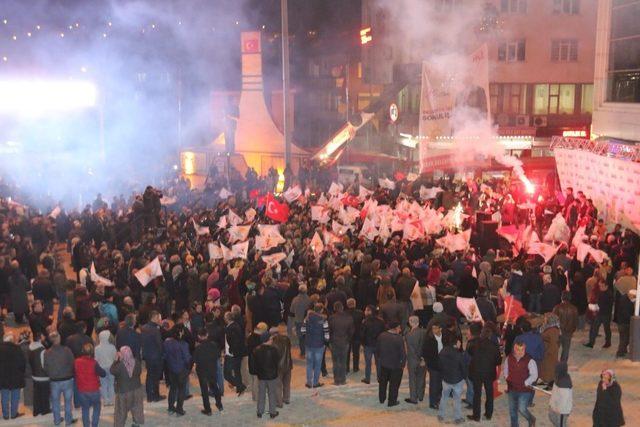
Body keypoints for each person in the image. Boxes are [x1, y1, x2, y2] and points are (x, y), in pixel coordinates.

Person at [467, 323, 501, 422]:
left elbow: (469, 352)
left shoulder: (475, 343)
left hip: (476, 372)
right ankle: (488, 414)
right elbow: (498, 361)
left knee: (477, 394)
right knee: (489, 394)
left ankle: (476, 416)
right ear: (490, 335)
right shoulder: (494, 346)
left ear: (481, 334)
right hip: (489, 373)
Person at [44, 331, 77, 426]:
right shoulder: (67, 350)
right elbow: (72, 363)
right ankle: (68, 421)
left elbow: (45, 367)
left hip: (54, 381)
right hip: (67, 379)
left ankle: (57, 420)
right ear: (59, 339)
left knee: (55, 402)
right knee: (68, 402)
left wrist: (50, 374)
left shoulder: (47, 353)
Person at [502, 342, 537, 427]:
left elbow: (534, 375)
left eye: (522, 350)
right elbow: (506, 370)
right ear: (514, 349)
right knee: (512, 411)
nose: (520, 352)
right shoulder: (509, 358)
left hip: (524, 390)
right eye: (518, 349)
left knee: (522, 409)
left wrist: (526, 382)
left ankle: (531, 418)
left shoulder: (530, 360)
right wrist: (507, 377)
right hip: (512, 388)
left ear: (525, 349)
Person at [110, 345, 144, 427]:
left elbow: (112, 371)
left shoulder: (120, 365)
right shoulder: (137, 362)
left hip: (123, 391)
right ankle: (137, 423)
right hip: (136, 389)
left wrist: (115, 360)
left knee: (121, 410)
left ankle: (119, 425)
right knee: (137, 407)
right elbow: (139, 372)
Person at [74, 343, 106, 427]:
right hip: (94, 390)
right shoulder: (94, 363)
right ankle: (94, 424)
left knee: (85, 409)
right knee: (97, 406)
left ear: (82, 351)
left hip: (82, 390)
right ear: (92, 352)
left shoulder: (76, 361)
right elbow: (103, 374)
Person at [163, 324, 192, 416]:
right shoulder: (183, 344)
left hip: (171, 369)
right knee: (181, 390)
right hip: (181, 370)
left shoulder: (167, 342)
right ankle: (179, 409)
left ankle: (171, 408)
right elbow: (187, 359)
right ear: (180, 332)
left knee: (173, 388)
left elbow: (165, 355)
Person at [193, 328, 223, 415]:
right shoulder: (213, 345)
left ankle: (208, 410)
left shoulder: (198, 348)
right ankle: (219, 404)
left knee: (204, 390)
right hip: (212, 369)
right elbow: (218, 355)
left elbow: (195, 359)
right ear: (207, 335)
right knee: (215, 387)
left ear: (199, 336)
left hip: (202, 371)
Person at [438, 333, 466, 424]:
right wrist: (465, 377)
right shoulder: (459, 354)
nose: (460, 344)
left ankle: (441, 414)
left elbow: (440, 365)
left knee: (444, 397)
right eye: (459, 342)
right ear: (456, 343)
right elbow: (463, 368)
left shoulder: (442, 351)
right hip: (457, 380)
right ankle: (457, 418)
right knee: (457, 399)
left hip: (446, 379)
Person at [375, 321, 405, 407]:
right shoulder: (399, 338)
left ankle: (382, 398)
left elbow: (377, 350)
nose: (400, 329)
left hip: (384, 364)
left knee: (383, 382)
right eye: (399, 327)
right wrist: (403, 364)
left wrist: (380, 359)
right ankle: (392, 401)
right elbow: (402, 353)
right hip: (395, 366)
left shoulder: (382, 335)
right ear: (395, 328)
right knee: (394, 384)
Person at [301, 302, 329, 388]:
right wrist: (326, 343)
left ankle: (309, 382)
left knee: (309, 364)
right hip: (319, 345)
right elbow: (327, 334)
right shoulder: (324, 320)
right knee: (318, 364)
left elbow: (302, 331)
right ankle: (316, 382)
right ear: (321, 310)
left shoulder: (307, 319)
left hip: (309, 344)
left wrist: (307, 338)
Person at [253, 331, 280, 419]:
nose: (272, 340)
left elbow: (255, 364)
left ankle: (259, 412)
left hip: (261, 376)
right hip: (272, 376)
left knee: (261, 393)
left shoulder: (256, 350)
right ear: (268, 339)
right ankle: (272, 412)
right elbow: (277, 362)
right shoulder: (274, 349)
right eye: (271, 338)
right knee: (272, 393)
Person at [140, 311, 164, 402]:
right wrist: (162, 354)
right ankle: (156, 395)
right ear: (154, 318)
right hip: (156, 356)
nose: (159, 320)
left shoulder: (144, 328)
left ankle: (149, 396)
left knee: (149, 376)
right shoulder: (155, 330)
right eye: (158, 318)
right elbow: (159, 344)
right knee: (156, 377)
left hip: (147, 355)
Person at [0, 333, 26, 420]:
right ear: (12, 340)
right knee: (15, 396)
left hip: (3, 377)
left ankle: (5, 415)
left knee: (4, 396)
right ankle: (14, 413)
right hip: (16, 377)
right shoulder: (17, 349)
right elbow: (22, 363)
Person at [328, 301, 354, 385]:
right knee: (343, 361)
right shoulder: (349, 318)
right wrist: (348, 339)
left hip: (334, 342)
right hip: (345, 342)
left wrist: (330, 341)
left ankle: (336, 380)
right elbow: (352, 331)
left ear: (335, 309)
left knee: (335, 362)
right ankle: (343, 380)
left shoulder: (331, 318)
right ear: (342, 308)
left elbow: (329, 331)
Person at [223, 310, 248, 395]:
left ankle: (240, 386)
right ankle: (239, 387)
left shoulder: (231, 328)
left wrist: (231, 351)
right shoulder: (236, 325)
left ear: (227, 319)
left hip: (232, 354)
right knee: (236, 371)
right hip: (236, 353)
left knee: (226, 374)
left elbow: (234, 342)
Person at [423, 322, 446, 410]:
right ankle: (433, 403)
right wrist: (428, 364)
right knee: (434, 384)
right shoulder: (429, 339)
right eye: (433, 328)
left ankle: (438, 399)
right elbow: (425, 352)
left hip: (443, 364)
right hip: (433, 365)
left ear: (440, 329)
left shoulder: (445, 338)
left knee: (441, 384)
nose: (433, 330)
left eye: (436, 328)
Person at [28, 331, 51, 417]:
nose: (44, 338)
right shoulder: (42, 350)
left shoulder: (30, 348)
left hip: (34, 376)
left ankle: (36, 411)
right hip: (43, 377)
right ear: (40, 338)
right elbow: (43, 364)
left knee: (36, 395)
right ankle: (45, 410)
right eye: (43, 336)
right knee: (44, 394)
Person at [585, 280, 613, 349]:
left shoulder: (608, 294)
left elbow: (605, 305)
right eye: (599, 286)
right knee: (596, 327)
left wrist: (596, 307)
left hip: (605, 314)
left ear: (606, 286)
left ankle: (607, 342)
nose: (600, 287)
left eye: (602, 286)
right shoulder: (602, 293)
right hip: (601, 313)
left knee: (606, 328)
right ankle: (592, 343)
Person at [404, 315, 426, 404]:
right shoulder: (424, 332)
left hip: (413, 360)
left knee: (412, 379)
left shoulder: (408, 335)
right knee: (421, 378)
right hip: (423, 359)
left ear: (410, 322)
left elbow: (411, 349)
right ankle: (420, 396)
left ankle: (413, 398)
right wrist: (422, 358)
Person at [361, 305, 385, 384]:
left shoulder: (365, 321)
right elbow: (383, 333)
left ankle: (367, 379)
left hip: (368, 345)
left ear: (370, 311)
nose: (365, 312)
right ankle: (380, 378)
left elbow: (363, 334)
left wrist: (363, 343)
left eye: (366, 310)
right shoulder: (381, 321)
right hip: (378, 344)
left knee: (368, 363)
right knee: (378, 362)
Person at [553, 291, 578, 363]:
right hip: (568, 332)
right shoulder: (574, 308)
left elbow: (553, 320)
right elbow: (576, 322)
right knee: (566, 349)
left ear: (562, 297)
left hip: (558, 331)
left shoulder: (557, 307)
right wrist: (572, 330)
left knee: (555, 348)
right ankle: (563, 364)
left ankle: (554, 362)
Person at [271, 326, 292, 407]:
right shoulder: (286, 339)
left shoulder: (273, 342)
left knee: (278, 385)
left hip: (278, 366)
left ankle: (278, 403)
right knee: (287, 383)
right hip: (288, 364)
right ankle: (286, 399)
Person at [95, 330, 116, 406]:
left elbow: (96, 359)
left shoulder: (97, 348)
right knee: (111, 384)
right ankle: (111, 400)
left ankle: (105, 400)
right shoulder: (112, 347)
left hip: (102, 369)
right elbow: (115, 358)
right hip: (111, 367)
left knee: (103, 385)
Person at [540, 313, 561, 388]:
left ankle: (551, 384)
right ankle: (545, 380)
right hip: (546, 351)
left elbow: (554, 344)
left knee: (550, 369)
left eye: (546, 318)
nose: (544, 319)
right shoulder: (548, 327)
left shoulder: (553, 330)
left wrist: (549, 352)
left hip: (550, 353)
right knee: (545, 367)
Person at [548, 362, 572, 427]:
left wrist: (559, 409)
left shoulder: (565, 382)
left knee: (561, 424)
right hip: (554, 406)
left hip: (562, 410)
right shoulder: (558, 377)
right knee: (552, 417)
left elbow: (564, 399)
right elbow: (555, 391)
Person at [290, 284, 310, 357]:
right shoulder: (309, 299)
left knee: (301, 337)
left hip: (298, 320)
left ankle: (302, 352)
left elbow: (291, 310)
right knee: (307, 336)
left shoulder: (295, 299)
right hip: (307, 321)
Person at [346, 298, 364, 373]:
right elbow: (363, 324)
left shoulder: (345, 313)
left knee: (347, 353)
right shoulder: (360, 313)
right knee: (356, 353)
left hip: (347, 336)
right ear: (355, 304)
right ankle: (355, 368)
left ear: (347, 305)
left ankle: (346, 368)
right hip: (357, 335)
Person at [615, 289, 635, 358]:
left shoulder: (624, 299)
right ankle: (620, 352)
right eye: (634, 297)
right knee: (624, 339)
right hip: (624, 323)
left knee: (623, 338)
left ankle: (623, 350)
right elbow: (626, 313)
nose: (634, 299)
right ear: (630, 295)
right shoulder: (626, 302)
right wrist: (633, 319)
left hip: (622, 322)